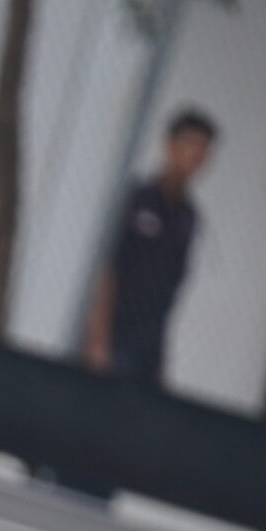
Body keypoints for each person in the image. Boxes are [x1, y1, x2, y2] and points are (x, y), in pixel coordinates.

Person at [85, 107, 217, 388]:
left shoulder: (188, 218)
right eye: (190, 145)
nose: (196, 155)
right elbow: (112, 267)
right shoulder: (138, 200)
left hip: (149, 340)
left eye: (203, 149)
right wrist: (98, 338)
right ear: (170, 145)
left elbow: (172, 286)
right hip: (116, 331)